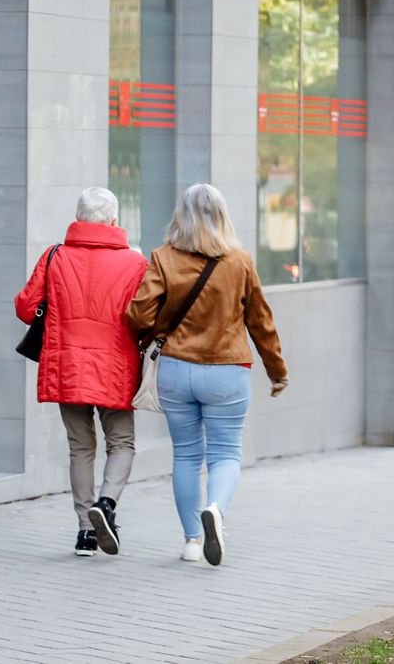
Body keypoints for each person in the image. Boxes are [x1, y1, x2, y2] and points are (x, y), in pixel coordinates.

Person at [127, 183, 288, 567]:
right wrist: (277, 371)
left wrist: (163, 327)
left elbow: (138, 315)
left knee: (185, 454)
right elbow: (261, 322)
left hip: (176, 369)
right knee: (225, 453)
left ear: (180, 216)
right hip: (227, 371)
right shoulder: (240, 262)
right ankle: (215, 509)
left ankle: (191, 542)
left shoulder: (163, 258)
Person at [16, 188, 148, 558]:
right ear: (114, 220)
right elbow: (146, 319)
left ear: (78, 218)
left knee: (80, 447)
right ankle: (106, 504)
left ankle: (85, 532)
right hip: (115, 368)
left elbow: (25, 308)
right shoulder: (136, 263)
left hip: (67, 365)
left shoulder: (54, 256)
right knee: (121, 443)